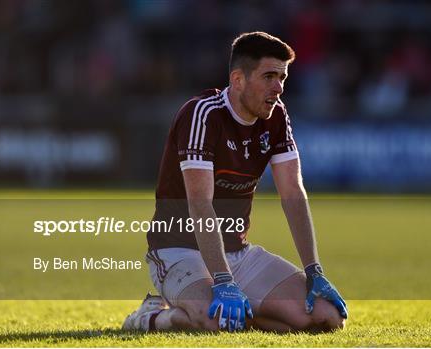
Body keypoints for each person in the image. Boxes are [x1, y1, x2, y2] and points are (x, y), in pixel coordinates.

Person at [122, 31, 347, 333]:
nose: (278, 88)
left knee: (327, 317)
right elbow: (200, 204)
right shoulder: (202, 114)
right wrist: (223, 280)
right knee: (216, 320)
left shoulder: (277, 116)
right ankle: (150, 316)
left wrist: (313, 270)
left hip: (238, 254)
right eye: (269, 77)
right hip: (178, 251)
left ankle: (236, 308)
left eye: (283, 77)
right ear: (238, 79)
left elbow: (293, 192)